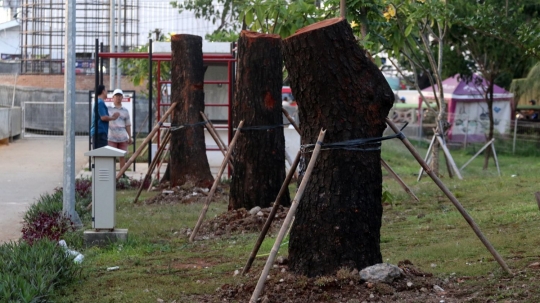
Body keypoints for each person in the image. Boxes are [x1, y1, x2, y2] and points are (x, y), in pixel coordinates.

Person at [107, 89, 132, 171]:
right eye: (116, 96)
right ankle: (111, 174)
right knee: (111, 156)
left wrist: (130, 136)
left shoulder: (125, 110)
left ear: (122, 97)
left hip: (123, 137)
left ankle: (122, 174)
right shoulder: (108, 109)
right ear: (113, 97)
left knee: (122, 156)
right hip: (111, 137)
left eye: (120, 96)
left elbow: (128, 124)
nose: (118, 97)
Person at [90, 85, 119, 149]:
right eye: (106, 90)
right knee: (100, 155)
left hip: (100, 132)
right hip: (99, 133)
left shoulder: (99, 102)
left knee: (100, 155)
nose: (107, 92)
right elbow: (103, 117)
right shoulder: (100, 102)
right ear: (103, 91)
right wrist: (113, 118)